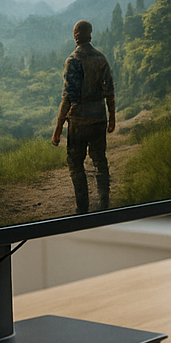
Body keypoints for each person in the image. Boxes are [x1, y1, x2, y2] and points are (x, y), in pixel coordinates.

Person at [51, 19, 116, 214]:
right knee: (99, 161)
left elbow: (68, 97)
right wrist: (112, 118)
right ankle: (104, 204)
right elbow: (109, 92)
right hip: (98, 118)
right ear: (91, 35)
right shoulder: (101, 58)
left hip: (78, 121)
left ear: (77, 36)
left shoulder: (72, 61)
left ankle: (83, 209)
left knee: (76, 164)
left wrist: (57, 130)